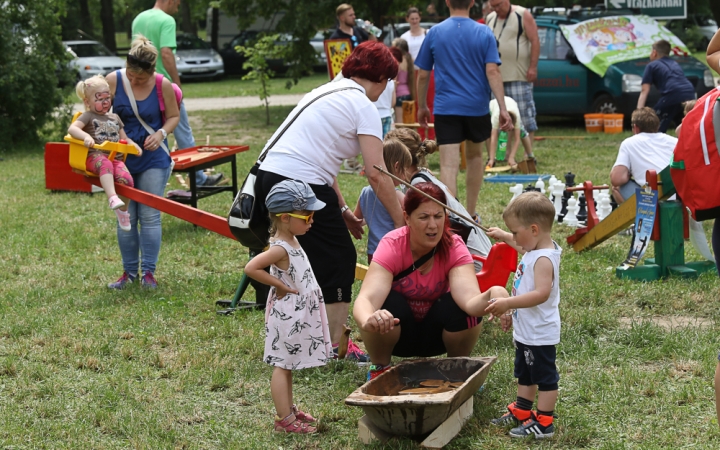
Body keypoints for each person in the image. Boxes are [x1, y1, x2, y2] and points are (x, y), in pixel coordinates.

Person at [255, 41, 404, 364]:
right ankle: (334, 346)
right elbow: (377, 173)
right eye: (388, 81)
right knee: (339, 257)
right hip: (298, 182)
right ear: (380, 78)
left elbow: (323, 161)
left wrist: (342, 210)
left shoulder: (327, 91)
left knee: (298, 259)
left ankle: (298, 336)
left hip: (271, 177)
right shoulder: (363, 105)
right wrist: (401, 220)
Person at [353, 182, 509, 380]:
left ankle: (458, 368)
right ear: (407, 218)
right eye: (424, 217)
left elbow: (469, 302)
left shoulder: (454, 246)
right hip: (397, 333)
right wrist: (369, 320)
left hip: (438, 336)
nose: (433, 225)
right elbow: (365, 299)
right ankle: (380, 368)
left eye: (438, 216)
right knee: (385, 305)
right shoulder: (392, 244)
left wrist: (493, 294)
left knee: (459, 310)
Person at [243, 180, 332, 434]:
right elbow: (251, 268)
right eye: (307, 216)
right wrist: (279, 285)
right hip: (288, 313)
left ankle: (289, 410)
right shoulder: (280, 247)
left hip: (297, 313)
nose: (312, 220)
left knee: (288, 363)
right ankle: (284, 421)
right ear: (284, 217)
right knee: (282, 365)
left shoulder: (290, 238)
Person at [416, 0, 512, 221]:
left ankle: (451, 213)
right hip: (476, 108)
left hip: (446, 108)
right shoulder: (484, 32)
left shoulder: (434, 32)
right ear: (472, 3)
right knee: (475, 156)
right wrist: (503, 107)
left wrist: (422, 106)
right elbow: (493, 72)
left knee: (448, 164)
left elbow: (422, 74)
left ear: (447, 2)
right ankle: (470, 212)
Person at [485, 191, 562, 439]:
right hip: (527, 331)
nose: (515, 238)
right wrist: (504, 235)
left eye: (516, 232)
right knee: (525, 373)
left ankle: (544, 421)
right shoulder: (534, 246)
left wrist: (507, 302)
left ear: (534, 229)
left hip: (540, 333)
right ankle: (522, 411)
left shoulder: (544, 260)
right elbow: (520, 243)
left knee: (545, 378)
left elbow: (541, 294)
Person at [105, 37, 180, 289]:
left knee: (149, 216)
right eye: (131, 76)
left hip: (153, 158)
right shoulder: (113, 79)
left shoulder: (163, 84)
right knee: (124, 215)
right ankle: (128, 274)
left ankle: (148, 273)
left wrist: (160, 134)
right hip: (122, 158)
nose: (134, 81)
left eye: (140, 79)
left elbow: (173, 116)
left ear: (152, 71)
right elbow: (100, 112)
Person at [132, 0, 223, 188]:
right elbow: (166, 53)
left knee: (147, 132)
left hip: (142, 86)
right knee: (183, 132)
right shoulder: (167, 21)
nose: (178, 7)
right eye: (178, 3)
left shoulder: (138, 18)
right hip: (163, 86)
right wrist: (176, 83)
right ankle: (199, 179)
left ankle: (142, 173)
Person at [387, 128, 492, 271]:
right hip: (486, 256)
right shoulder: (424, 175)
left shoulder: (418, 187)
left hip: (474, 264)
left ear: (396, 162)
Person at [68, 75, 141, 232]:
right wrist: (86, 136)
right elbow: (72, 129)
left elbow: (124, 138)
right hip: (94, 157)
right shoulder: (88, 116)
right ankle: (112, 198)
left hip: (114, 159)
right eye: (99, 99)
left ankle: (123, 212)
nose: (105, 102)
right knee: (105, 163)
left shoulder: (115, 118)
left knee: (127, 180)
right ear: (87, 102)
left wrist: (132, 145)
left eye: (107, 98)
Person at [487, 0, 540, 153]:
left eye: (499, 5)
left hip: (519, 77)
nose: (496, 9)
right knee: (499, 120)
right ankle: (505, 155)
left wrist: (533, 67)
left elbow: (535, 40)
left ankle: (527, 155)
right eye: (493, 6)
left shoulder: (522, 14)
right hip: (496, 78)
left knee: (524, 117)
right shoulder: (490, 18)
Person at [354, 139, 413, 264]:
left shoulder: (365, 192)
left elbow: (357, 219)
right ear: (397, 166)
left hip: (373, 252)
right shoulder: (398, 196)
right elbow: (412, 222)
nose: (406, 177)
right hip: (394, 251)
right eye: (405, 170)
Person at [609, 108, 677, 204]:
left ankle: (638, 217)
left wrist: (630, 173)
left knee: (618, 187)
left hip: (653, 202)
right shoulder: (674, 141)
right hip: (678, 196)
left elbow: (616, 179)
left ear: (636, 128)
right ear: (657, 126)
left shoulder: (629, 143)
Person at [637, 40, 696, 133]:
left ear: (654, 52)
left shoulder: (651, 65)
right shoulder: (674, 63)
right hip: (689, 92)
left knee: (652, 124)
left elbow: (644, 90)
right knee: (683, 125)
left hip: (673, 94)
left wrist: (638, 114)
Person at [487, 97, 534, 170]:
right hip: (493, 105)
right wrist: (492, 159)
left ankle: (530, 155)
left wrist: (511, 158)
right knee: (489, 132)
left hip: (512, 103)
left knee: (522, 132)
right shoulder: (496, 117)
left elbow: (517, 139)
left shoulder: (517, 117)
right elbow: (493, 138)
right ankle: (490, 158)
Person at [390, 40, 415, 122]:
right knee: (408, 122)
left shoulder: (397, 61)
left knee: (400, 123)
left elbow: (395, 80)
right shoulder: (409, 59)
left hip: (399, 95)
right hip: (408, 93)